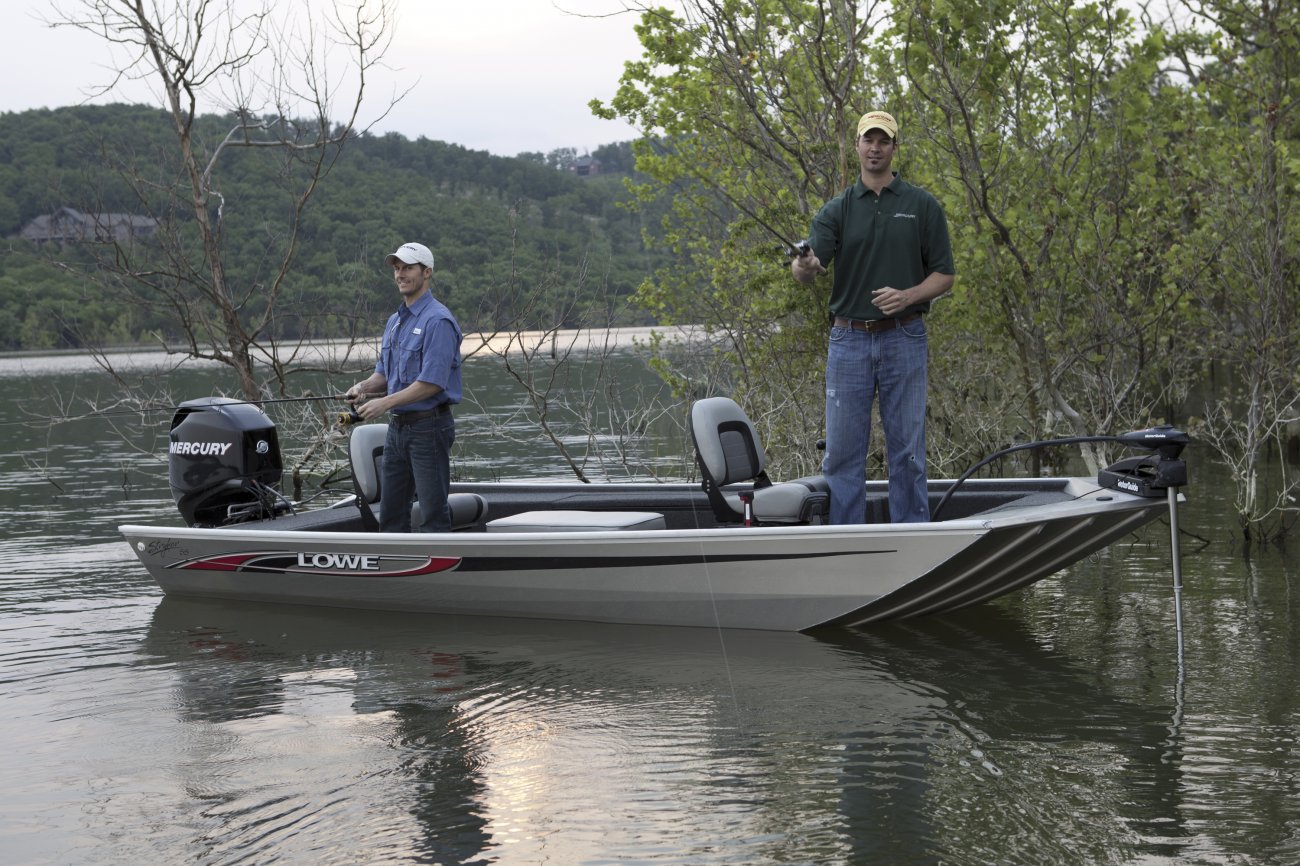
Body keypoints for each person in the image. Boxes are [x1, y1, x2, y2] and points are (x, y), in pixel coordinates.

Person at [791, 110, 955, 524]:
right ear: (858, 146)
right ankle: (846, 541)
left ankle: (912, 536)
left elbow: (945, 276)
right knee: (843, 454)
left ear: (895, 147)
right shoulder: (837, 210)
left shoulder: (922, 206)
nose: (875, 148)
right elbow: (807, 272)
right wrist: (805, 264)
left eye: (883, 141)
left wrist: (908, 296)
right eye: (868, 140)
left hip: (906, 337)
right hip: (848, 342)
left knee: (909, 451)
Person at [345, 241, 463, 532]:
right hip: (397, 430)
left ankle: (438, 573)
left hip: (429, 428)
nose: (400, 274)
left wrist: (383, 403)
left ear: (427, 272)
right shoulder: (394, 322)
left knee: (433, 514)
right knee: (391, 515)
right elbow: (384, 375)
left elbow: (432, 383)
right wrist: (362, 387)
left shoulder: (439, 321)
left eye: (408, 267)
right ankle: (397, 572)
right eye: (397, 269)